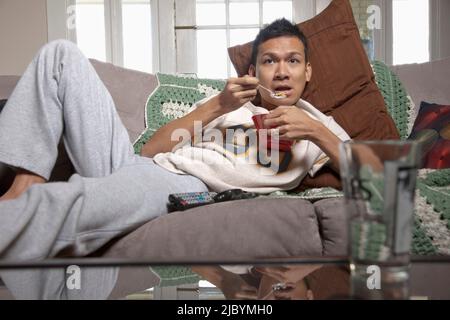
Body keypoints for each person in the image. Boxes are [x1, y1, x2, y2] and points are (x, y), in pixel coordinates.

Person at [0, 18, 349, 299]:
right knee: (59, 55)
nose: (282, 72)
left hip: (184, 185)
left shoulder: (319, 126)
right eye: (269, 61)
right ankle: (23, 185)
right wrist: (218, 106)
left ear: (308, 71)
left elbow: (375, 178)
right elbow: (151, 151)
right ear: (255, 72)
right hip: (144, 166)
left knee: (76, 200)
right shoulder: (227, 105)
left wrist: (316, 132)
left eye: (293, 61)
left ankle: (15, 218)